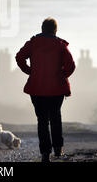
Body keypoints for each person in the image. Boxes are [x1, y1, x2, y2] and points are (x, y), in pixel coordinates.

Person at [15, 17, 75, 162]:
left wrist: (30, 71)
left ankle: (45, 153)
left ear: (42, 29)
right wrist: (61, 76)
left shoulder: (33, 43)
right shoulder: (60, 45)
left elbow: (19, 57)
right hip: (56, 90)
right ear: (55, 30)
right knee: (55, 117)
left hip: (37, 88)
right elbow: (71, 65)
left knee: (42, 120)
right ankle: (58, 149)